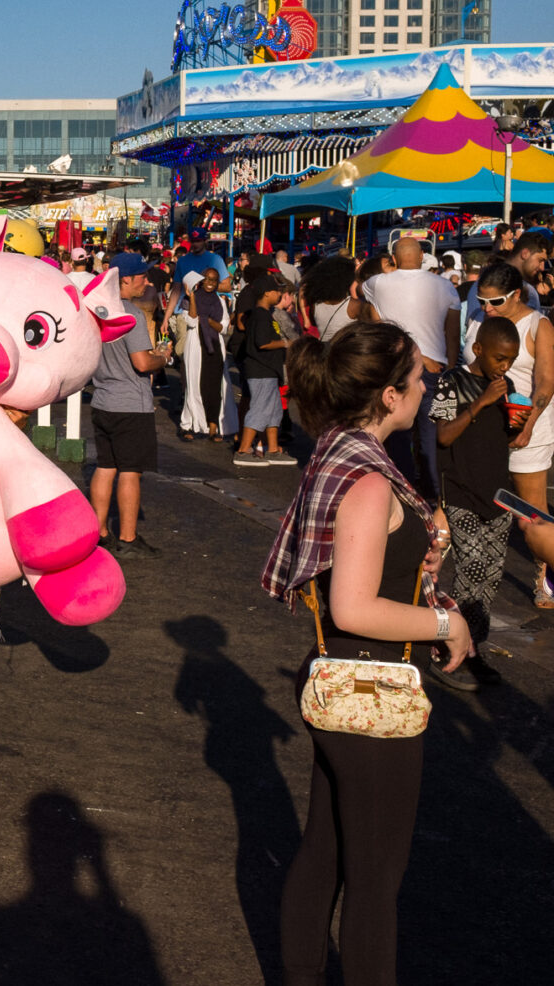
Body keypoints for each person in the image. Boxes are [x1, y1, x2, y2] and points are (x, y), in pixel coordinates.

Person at [263, 321, 470, 986]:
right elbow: (355, 605)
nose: (424, 386)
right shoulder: (369, 477)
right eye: (415, 378)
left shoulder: (340, 450)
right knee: (375, 881)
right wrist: (444, 624)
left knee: (325, 851)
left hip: (339, 681)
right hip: (371, 686)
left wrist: (421, 553)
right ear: (388, 395)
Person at [430, 314, 518, 690]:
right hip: (462, 491)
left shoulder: (507, 385)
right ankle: (449, 649)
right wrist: (481, 402)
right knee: (471, 572)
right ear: (479, 349)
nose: (505, 367)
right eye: (499, 358)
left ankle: (473, 649)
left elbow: (504, 441)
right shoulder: (452, 381)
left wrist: (520, 424)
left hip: (496, 494)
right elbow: (443, 437)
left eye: (511, 360)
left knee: (490, 578)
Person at [466, 262, 554, 607]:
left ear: (516, 294)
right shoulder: (477, 319)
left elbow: (546, 382)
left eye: (496, 302)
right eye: (482, 300)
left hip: (528, 428)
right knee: (469, 502)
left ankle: (547, 574)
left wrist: (528, 425)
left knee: (531, 514)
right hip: (482, 429)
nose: (487, 309)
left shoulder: (538, 325)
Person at [88, 253, 173, 556]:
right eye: (141, 276)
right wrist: (163, 357)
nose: (147, 281)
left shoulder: (94, 312)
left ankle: (98, 531)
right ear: (124, 279)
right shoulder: (131, 315)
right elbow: (141, 362)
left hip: (102, 399)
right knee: (130, 470)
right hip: (130, 403)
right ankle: (127, 537)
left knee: (106, 466)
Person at [362, 237, 460, 493]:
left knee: (396, 430)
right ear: (421, 258)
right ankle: (433, 490)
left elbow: (375, 319)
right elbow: (452, 333)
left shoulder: (377, 283)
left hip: (396, 364)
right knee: (431, 432)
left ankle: (401, 486)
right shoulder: (445, 286)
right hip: (435, 368)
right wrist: (449, 365)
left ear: (393, 260)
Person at [233, 274, 296, 467]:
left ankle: (273, 449)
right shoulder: (260, 315)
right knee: (260, 409)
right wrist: (286, 343)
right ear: (267, 293)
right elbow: (262, 343)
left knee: (274, 410)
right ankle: (243, 450)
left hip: (269, 370)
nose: (280, 294)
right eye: (277, 291)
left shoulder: (265, 313)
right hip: (261, 370)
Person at [177, 268, 238, 443]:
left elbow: (224, 328)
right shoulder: (189, 299)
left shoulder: (220, 301)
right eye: (208, 279)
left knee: (214, 387)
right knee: (194, 386)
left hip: (215, 348)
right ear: (202, 280)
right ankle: (190, 425)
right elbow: (192, 320)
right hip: (196, 345)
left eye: (214, 280)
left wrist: (209, 321)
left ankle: (213, 426)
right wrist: (194, 297)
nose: (211, 283)